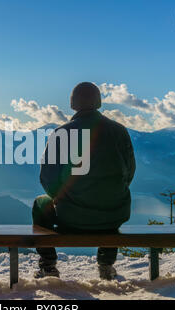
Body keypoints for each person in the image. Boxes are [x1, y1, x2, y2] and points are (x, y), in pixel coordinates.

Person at [32, 82, 136, 280]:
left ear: (73, 103)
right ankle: (106, 265)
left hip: (71, 218)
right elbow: (129, 172)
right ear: (99, 101)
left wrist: (63, 199)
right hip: (113, 215)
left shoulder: (62, 134)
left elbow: (48, 178)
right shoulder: (119, 131)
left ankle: (48, 266)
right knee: (110, 203)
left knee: (41, 203)